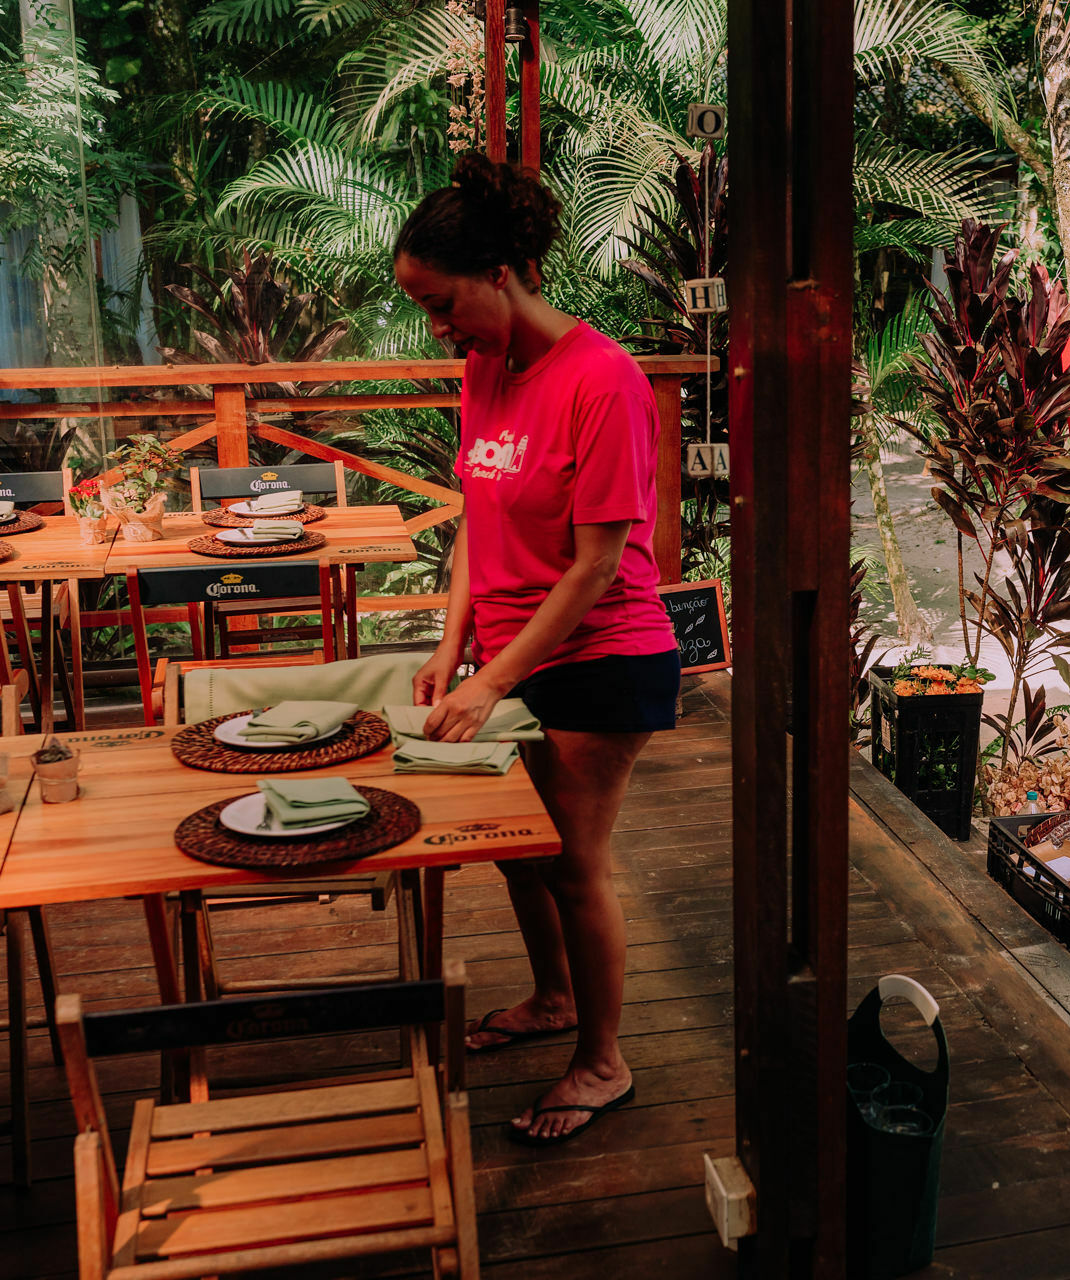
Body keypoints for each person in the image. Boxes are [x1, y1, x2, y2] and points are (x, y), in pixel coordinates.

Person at [393, 152, 682, 1142]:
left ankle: (604, 1061)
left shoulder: (602, 381)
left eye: (443, 303)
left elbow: (598, 565)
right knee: (520, 854)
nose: (438, 329)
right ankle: (555, 1000)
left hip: (604, 652)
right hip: (516, 651)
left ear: (502, 275)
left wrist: (492, 682)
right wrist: (453, 641)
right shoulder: (486, 367)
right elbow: (478, 509)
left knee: (572, 858)